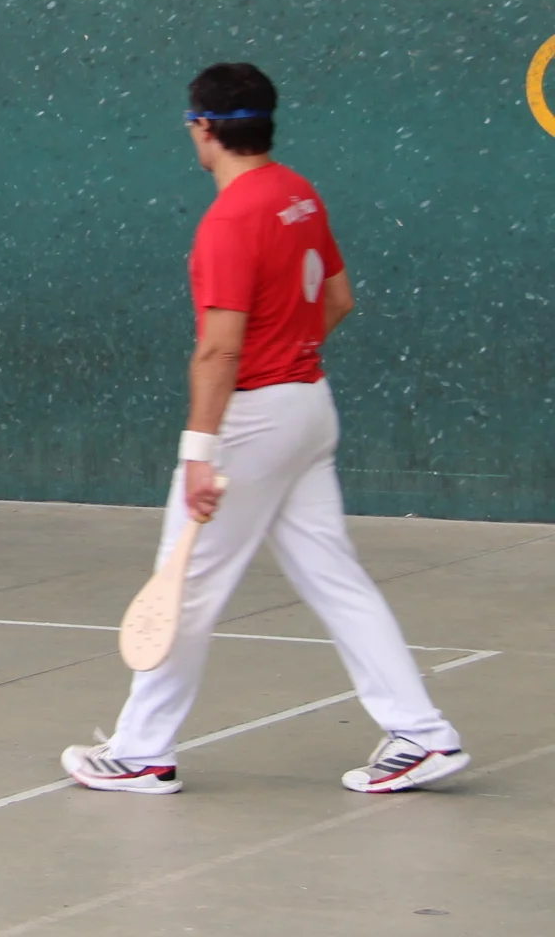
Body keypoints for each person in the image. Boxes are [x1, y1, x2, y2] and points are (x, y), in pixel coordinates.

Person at [62, 63, 466, 795]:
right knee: (336, 579)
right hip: (308, 405)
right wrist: (287, 360)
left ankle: (142, 753)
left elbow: (218, 349)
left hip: (251, 422)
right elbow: (337, 300)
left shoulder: (229, 221)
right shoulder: (297, 195)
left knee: (185, 584)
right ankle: (422, 733)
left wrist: (200, 452)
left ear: (203, 128)